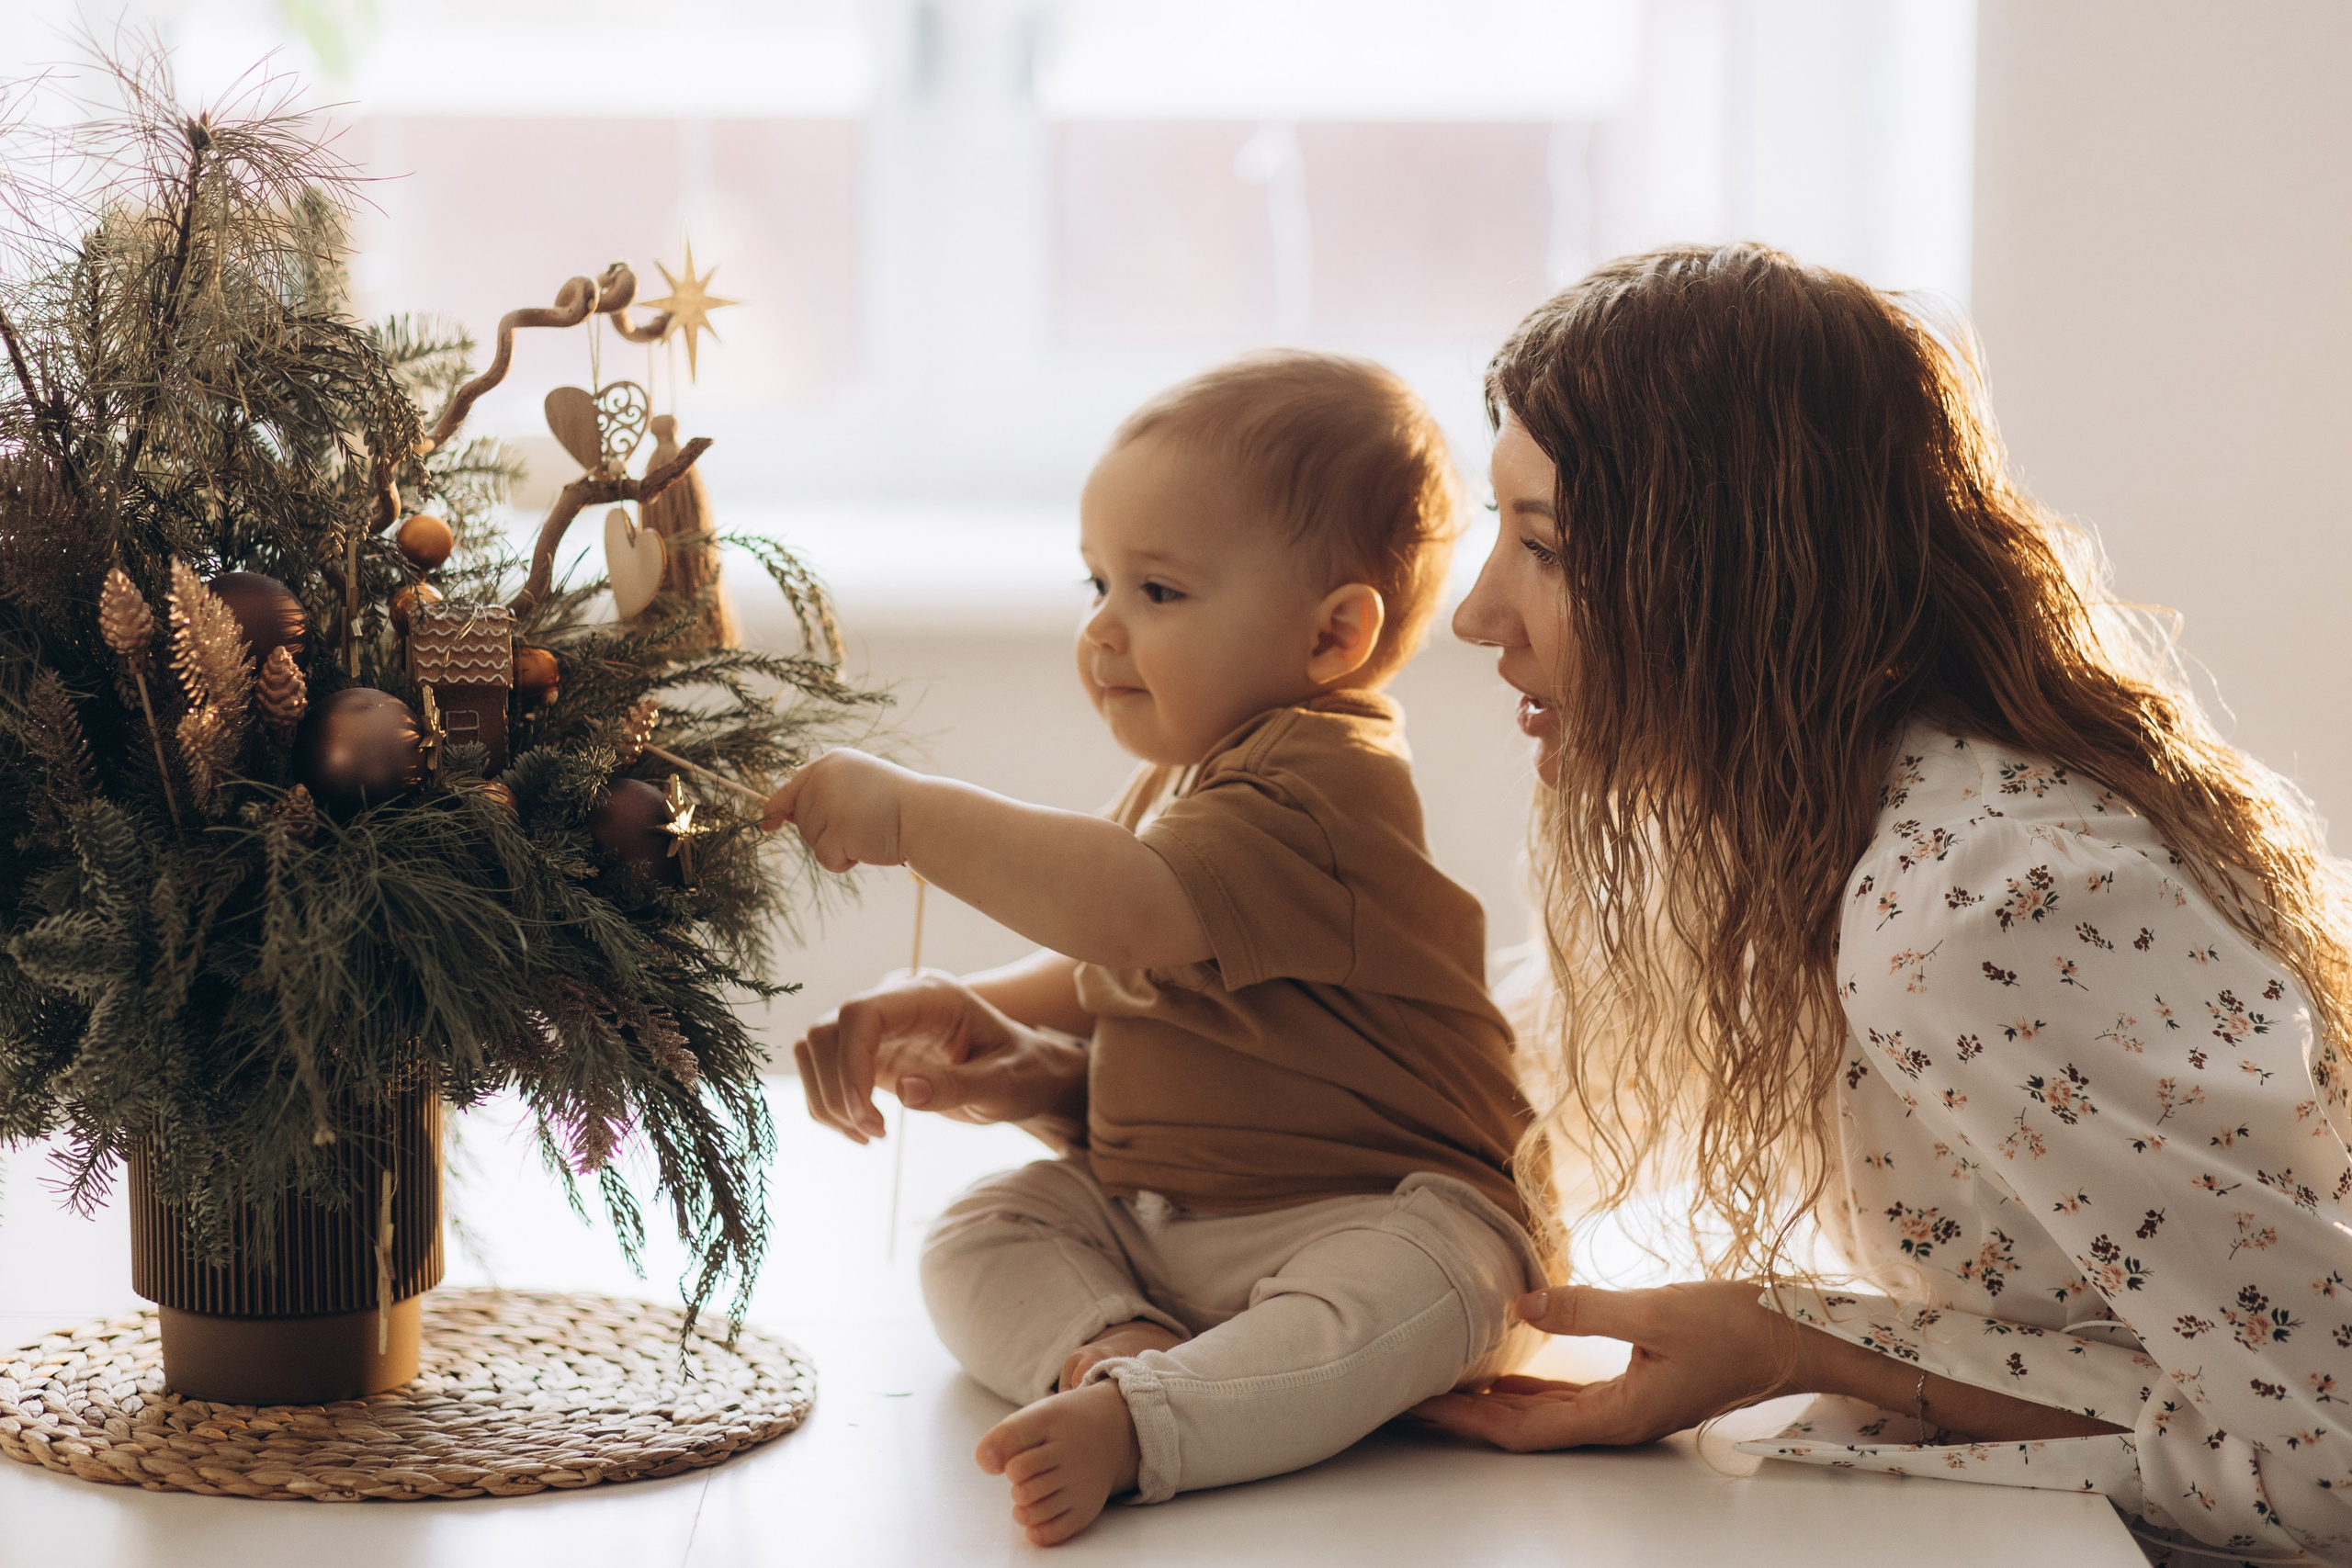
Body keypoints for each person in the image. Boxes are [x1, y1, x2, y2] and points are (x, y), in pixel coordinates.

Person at [796, 245, 2352, 1563]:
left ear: (1725, 575)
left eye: (1539, 546)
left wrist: (1786, 1342)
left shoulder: (1974, 912)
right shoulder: (1772, 842)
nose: (1471, 614)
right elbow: (1471, 1085)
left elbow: (2327, 1449)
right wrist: (1074, 1083)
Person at [764, 350, 1546, 1547]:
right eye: (1098, 585)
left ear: (1335, 635)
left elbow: (1128, 911)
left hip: (1374, 1206)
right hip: (1166, 1214)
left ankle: (1151, 1422)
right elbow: (1115, 978)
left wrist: (913, 817)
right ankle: (1119, 1352)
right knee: (984, 1233)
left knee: (1436, 1282)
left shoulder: (1321, 789)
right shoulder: (1190, 781)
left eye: (1159, 594)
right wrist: (951, 1005)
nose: (1103, 633)